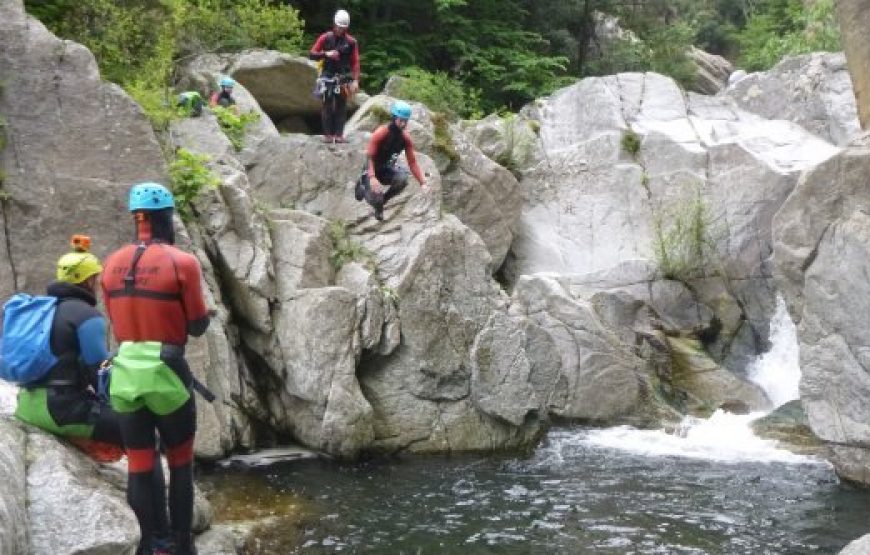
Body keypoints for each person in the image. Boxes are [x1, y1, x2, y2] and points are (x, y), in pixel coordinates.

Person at [14, 234, 171, 554]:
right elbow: (99, 371)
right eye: (95, 278)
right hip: (63, 410)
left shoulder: (45, 310)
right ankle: (155, 539)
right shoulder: (87, 318)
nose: (99, 284)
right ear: (87, 281)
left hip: (29, 404)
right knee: (146, 440)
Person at [101, 182, 210, 555]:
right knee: (180, 460)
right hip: (165, 369)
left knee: (140, 463)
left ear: (136, 218)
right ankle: (182, 544)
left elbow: (115, 320)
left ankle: (151, 544)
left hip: (124, 369)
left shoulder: (110, 264)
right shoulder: (182, 262)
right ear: (168, 217)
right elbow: (197, 325)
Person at [355, 100, 428, 221]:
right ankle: (363, 188)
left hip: (386, 169)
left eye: (406, 121)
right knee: (375, 199)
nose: (403, 124)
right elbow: (370, 157)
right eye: (401, 120)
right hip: (371, 168)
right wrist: (372, 177)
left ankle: (383, 201)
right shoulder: (381, 133)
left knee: (402, 179)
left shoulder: (405, 138)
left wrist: (423, 182)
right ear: (394, 118)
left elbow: (412, 162)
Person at [309, 8, 360, 143]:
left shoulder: (351, 42)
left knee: (341, 106)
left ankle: (339, 135)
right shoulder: (325, 38)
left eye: (343, 27)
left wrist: (355, 80)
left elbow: (355, 62)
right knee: (327, 105)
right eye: (338, 27)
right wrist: (326, 54)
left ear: (347, 27)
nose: (340, 30)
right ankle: (328, 135)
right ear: (334, 24)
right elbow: (312, 54)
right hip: (327, 76)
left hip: (343, 77)